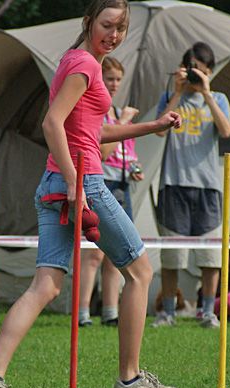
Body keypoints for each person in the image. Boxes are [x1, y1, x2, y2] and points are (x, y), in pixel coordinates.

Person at [0, 0, 182, 388]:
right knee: (140, 272)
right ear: (89, 22)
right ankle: (130, 380)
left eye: (121, 28)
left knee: (45, 285)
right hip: (81, 181)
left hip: (56, 181)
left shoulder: (75, 60)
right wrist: (75, 183)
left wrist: (152, 126)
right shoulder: (86, 65)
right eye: (107, 25)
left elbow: (93, 130)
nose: (114, 35)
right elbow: (52, 122)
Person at [152, 41, 230, 329]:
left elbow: (226, 131)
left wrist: (207, 93)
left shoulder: (219, 99)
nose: (195, 75)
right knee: (172, 255)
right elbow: (159, 131)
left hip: (208, 187)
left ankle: (206, 312)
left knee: (210, 256)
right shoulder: (171, 97)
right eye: (191, 69)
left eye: (200, 70)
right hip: (174, 184)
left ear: (210, 71)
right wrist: (177, 92)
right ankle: (168, 312)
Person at [78, 56, 143, 327]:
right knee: (94, 253)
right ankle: (82, 313)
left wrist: (135, 168)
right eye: (110, 79)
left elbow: (126, 151)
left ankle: (110, 311)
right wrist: (124, 123)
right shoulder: (103, 114)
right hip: (102, 183)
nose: (115, 84)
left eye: (118, 79)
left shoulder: (115, 111)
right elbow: (101, 153)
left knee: (117, 253)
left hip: (122, 185)